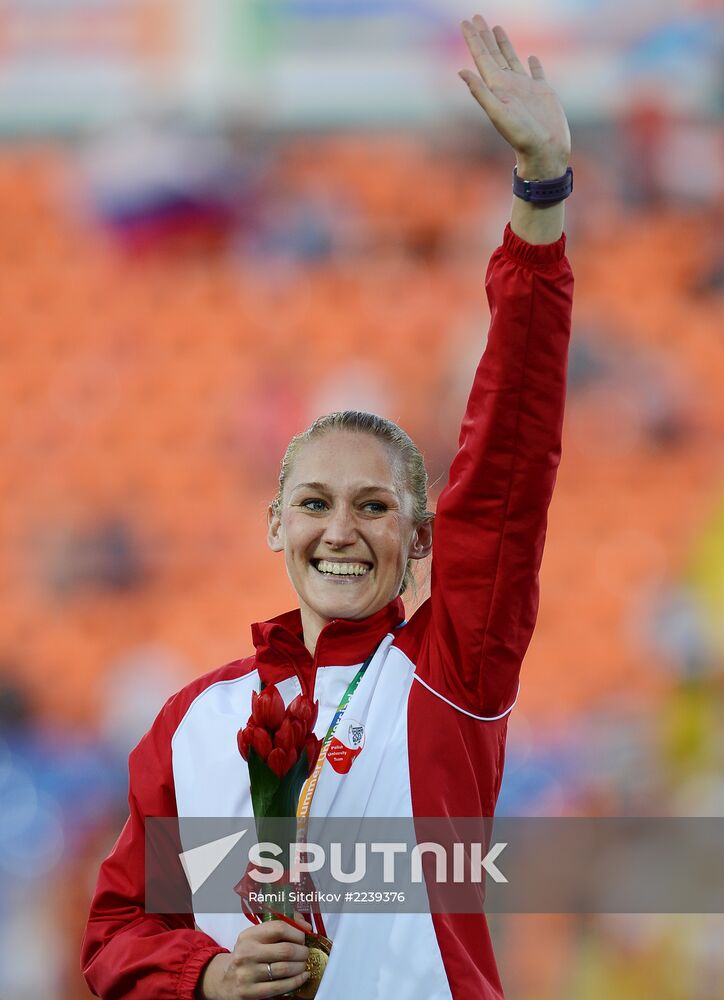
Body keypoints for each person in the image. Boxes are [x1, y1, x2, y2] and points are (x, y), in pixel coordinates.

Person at [81, 13, 574, 1000]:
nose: (339, 529)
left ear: (420, 535)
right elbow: (116, 935)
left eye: (373, 506)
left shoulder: (445, 677)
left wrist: (539, 206)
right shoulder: (191, 721)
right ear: (275, 524)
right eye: (313, 500)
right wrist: (208, 974)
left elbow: (508, 468)